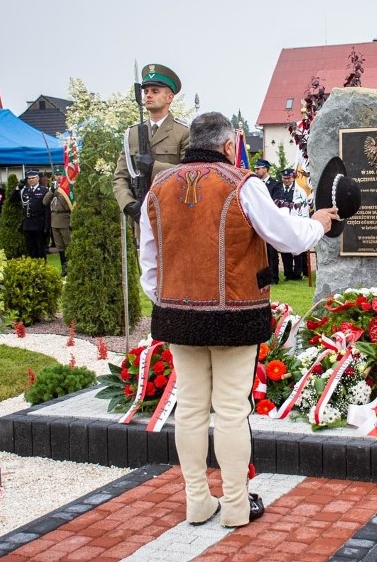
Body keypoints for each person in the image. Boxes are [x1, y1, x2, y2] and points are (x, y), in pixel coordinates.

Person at [138, 112, 340, 528]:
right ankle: (234, 505)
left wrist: (173, 301)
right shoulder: (243, 184)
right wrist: (318, 224)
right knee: (231, 410)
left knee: (191, 408)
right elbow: (285, 236)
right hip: (235, 312)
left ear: (191, 142)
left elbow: (149, 266)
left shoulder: (157, 189)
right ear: (230, 145)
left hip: (178, 314)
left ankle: (197, 501)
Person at [113, 63, 190, 227]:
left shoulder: (183, 132)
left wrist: (154, 167)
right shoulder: (132, 134)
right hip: (141, 215)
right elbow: (120, 176)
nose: (148, 95)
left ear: (169, 97)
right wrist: (128, 204)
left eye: (155, 91)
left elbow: (190, 175)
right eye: (146, 91)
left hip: (174, 214)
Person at [277, 168, 310, 280]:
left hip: (295, 223)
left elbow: (303, 209)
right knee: (284, 250)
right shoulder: (278, 189)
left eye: (288, 178)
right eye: (284, 178)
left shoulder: (299, 191)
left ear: (293, 177)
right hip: (282, 224)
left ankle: (297, 273)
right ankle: (288, 273)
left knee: (297, 250)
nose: (286, 180)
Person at [10, 169, 49, 259]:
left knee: (40, 247)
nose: (31, 180)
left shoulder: (44, 190)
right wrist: (18, 188)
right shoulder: (25, 191)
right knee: (30, 247)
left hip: (39, 222)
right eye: (29, 178)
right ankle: (33, 265)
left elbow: (47, 209)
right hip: (28, 222)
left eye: (33, 178)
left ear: (38, 178)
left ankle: (42, 266)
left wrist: (47, 225)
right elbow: (12, 200)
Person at [254, 159, 282, 284]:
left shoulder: (275, 184)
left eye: (258, 168)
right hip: (257, 220)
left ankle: (273, 277)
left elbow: (276, 201)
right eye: (255, 169)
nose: (256, 171)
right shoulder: (254, 184)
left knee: (271, 251)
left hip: (270, 220)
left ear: (265, 169)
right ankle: (262, 278)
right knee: (259, 251)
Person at [43, 179, 72, 276]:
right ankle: (64, 268)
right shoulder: (53, 189)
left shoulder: (67, 188)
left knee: (68, 245)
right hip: (54, 221)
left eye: (59, 174)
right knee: (60, 246)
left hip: (65, 220)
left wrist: (62, 190)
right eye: (56, 175)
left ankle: (71, 267)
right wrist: (51, 190)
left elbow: (69, 204)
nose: (58, 177)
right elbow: (45, 201)